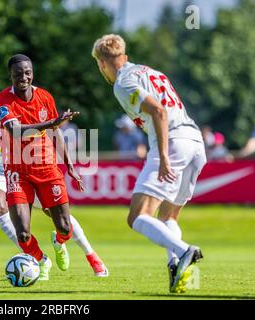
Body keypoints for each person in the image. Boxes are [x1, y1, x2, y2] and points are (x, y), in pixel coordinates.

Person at [0, 69, 108, 278]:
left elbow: (30, 130)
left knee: (60, 221)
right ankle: (37, 258)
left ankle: (91, 255)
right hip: (2, 172)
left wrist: (65, 158)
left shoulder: (7, 104)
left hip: (28, 166)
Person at [92, 34, 206, 293]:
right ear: (125, 55)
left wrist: (163, 155)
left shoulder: (123, 82)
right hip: (195, 142)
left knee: (137, 216)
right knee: (168, 215)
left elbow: (158, 111)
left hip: (173, 142)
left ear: (102, 63)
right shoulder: (151, 71)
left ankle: (185, 250)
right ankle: (176, 265)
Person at [0, 54, 104, 280]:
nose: (23, 77)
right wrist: (51, 123)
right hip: (18, 172)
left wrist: (70, 165)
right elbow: (15, 131)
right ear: (10, 76)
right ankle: (40, 261)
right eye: (18, 74)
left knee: (65, 227)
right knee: (23, 233)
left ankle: (58, 241)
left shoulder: (44, 96)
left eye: (27, 72)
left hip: (47, 168)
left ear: (32, 73)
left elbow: (56, 133)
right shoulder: (4, 99)